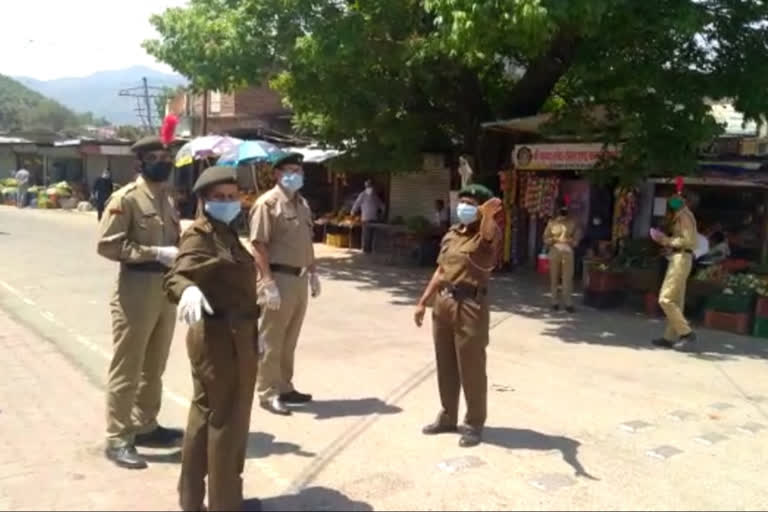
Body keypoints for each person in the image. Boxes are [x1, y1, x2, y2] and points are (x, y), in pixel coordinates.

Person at [164, 166, 259, 512]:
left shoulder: (226, 233)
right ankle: (226, 504)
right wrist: (187, 289)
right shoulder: (202, 235)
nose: (228, 202)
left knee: (204, 420)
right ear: (203, 200)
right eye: (219, 198)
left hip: (231, 335)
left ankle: (193, 502)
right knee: (228, 424)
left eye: (232, 196)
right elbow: (177, 275)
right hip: (224, 340)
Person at [97, 135, 184, 469]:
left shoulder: (167, 198)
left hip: (164, 290)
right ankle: (118, 437)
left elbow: (174, 241)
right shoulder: (126, 199)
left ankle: (145, 424)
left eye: (166, 155)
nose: (164, 161)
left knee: (155, 366)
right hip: (135, 290)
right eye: (156, 156)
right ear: (140, 163)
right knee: (128, 366)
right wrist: (154, 252)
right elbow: (107, 246)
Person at [414, 184, 503, 448]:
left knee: (471, 366)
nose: (463, 206)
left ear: (482, 208)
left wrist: (487, 216)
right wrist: (423, 301)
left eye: (470, 203)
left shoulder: (489, 232)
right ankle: (447, 417)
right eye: (461, 201)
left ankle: (474, 423)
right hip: (444, 302)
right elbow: (441, 270)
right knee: (446, 363)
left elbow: (487, 236)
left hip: (471, 305)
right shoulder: (452, 234)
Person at [249, 152, 321, 416]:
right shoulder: (267, 204)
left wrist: (313, 272)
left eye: (299, 170)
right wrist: (267, 282)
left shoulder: (301, 204)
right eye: (290, 170)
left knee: (289, 338)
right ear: (277, 174)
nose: (295, 175)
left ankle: (284, 385)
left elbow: (306, 241)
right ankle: (267, 392)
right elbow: (258, 245)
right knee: (272, 339)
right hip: (278, 278)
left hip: (299, 278)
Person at [651, 188, 698, 351]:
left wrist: (665, 240)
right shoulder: (681, 215)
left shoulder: (684, 216)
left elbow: (688, 240)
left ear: (683, 200)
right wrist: (669, 246)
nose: (671, 201)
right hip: (680, 257)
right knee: (676, 301)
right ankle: (669, 337)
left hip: (681, 259)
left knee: (665, 299)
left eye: (674, 198)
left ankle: (686, 332)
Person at [543, 198, 581, 313]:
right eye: (561, 209)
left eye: (565, 209)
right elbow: (545, 238)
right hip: (555, 250)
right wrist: (553, 239)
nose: (563, 211)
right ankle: (554, 302)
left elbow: (577, 238)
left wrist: (572, 241)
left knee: (567, 278)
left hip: (567, 251)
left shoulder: (573, 222)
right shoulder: (551, 223)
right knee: (554, 277)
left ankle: (568, 303)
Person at [351, 179, 385, 253]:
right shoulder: (366, 195)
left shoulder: (371, 195)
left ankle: (368, 250)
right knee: (369, 235)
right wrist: (353, 212)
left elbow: (357, 204)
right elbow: (357, 204)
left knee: (369, 235)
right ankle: (367, 250)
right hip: (369, 218)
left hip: (369, 218)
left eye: (370, 186)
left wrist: (353, 212)